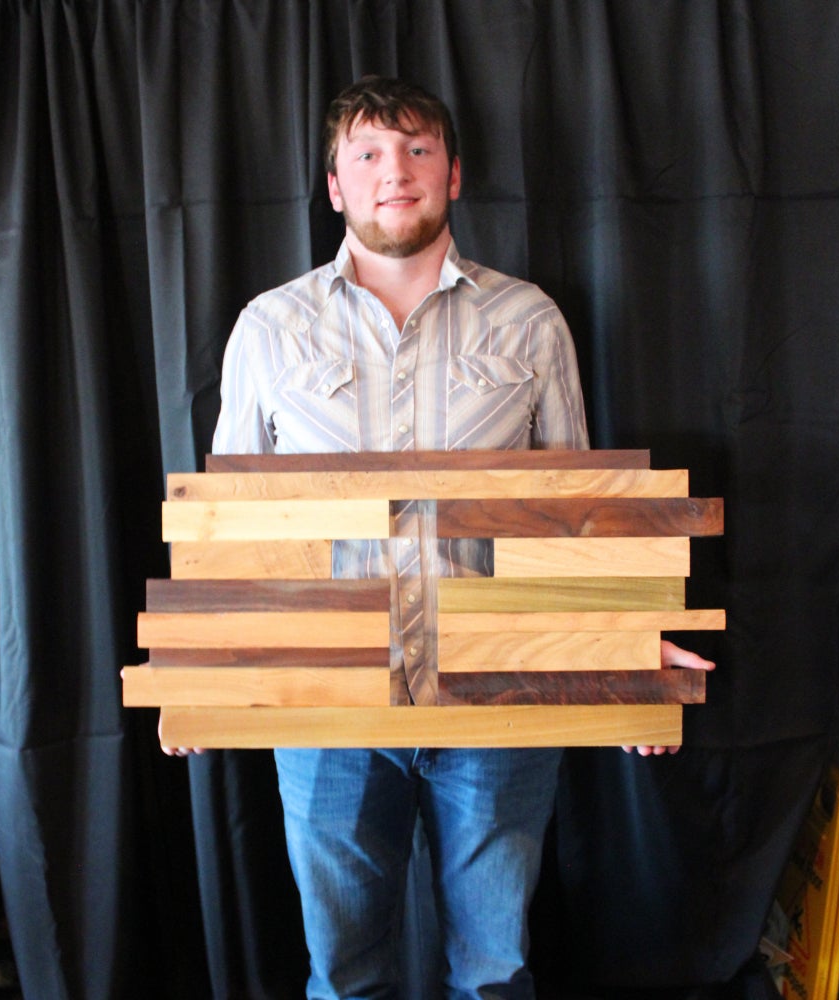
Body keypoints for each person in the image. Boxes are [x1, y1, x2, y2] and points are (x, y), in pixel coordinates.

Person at [164, 76, 714, 1000]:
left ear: (453, 175)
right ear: (335, 186)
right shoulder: (270, 327)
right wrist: (204, 670)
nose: (396, 172)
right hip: (326, 708)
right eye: (369, 154)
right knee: (343, 976)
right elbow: (234, 523)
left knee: (496, 973)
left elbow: (575, 511)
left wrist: (623, 661)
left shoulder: (530, 320)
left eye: (417, 150)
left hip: (496, 694)